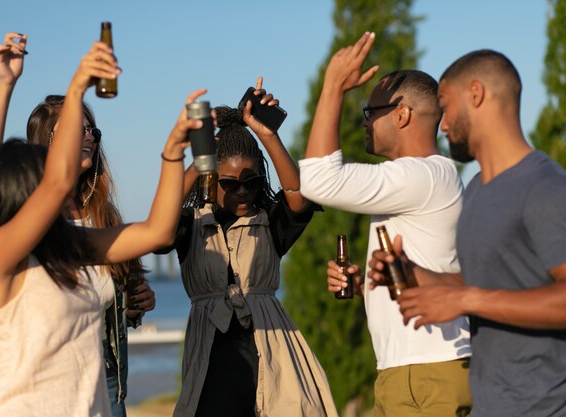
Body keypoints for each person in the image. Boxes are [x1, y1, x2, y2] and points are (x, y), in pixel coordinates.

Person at [0, 33, 154, 416]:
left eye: (91, 130)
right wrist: (6, 84)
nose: (86, 136)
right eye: (72, 128)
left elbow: (114, 295)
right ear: (41, 145)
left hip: (104, 375)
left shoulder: (105, 216)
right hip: (34, 377)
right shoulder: (20, 212)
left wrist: (135, 307)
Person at [368, 50, 566, 417]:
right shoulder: (476, 190)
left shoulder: (545, 187)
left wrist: (467, 301)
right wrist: (419, 275)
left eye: (445, 105)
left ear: (475, 94)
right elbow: (489, 282)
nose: (441, 125)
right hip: (489, 404)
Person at [298, 32, 471, 417]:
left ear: (402, 114)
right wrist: (367, 288)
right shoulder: (417, 180)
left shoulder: (423, 176)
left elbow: (318, 181)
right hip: (403, 372)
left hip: (431, 374)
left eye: (369, 113)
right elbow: (428, 269)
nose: (364, 122)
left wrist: (333, 86)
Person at [157, 78, 337, 417]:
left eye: (251, 182)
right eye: (230, 183)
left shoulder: (269, 221)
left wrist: (268, 135)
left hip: (272, 353)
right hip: (209, 361)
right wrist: (198, 163)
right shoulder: (191, 223)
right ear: (213, 179)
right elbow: (159, 230)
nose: (243, 191)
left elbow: (299, 199)